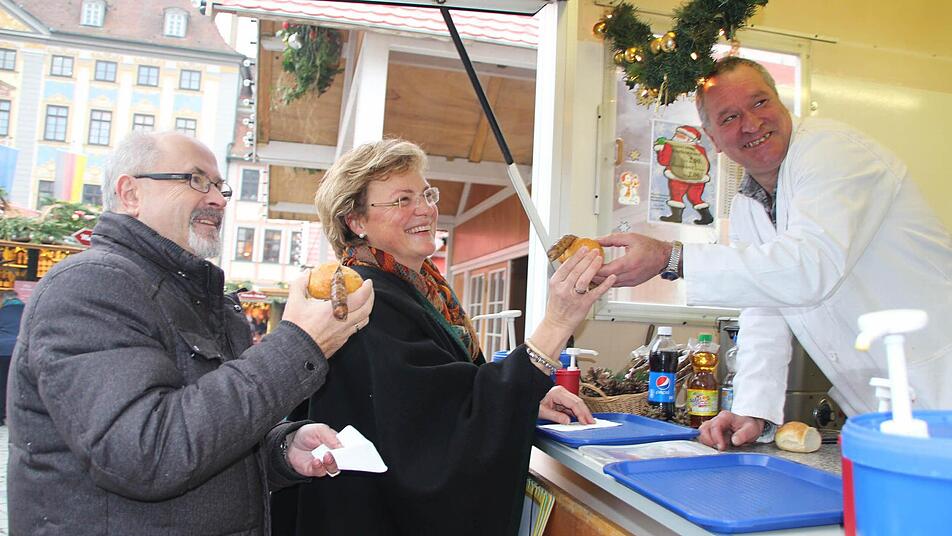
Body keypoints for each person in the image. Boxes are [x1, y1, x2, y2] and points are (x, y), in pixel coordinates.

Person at [6, 131, 375, 534]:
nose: (217, 199)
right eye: (196, 180)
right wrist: (299, 344)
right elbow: (145, 455)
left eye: (220, 186)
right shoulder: (90, 285)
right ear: (130, 194)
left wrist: (281, 450)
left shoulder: (198, 298)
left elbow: (207, 440)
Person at [595, 57, 951, 450]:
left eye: (760, 102)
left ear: (781, 102)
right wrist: (752, 408)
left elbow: (809, 270)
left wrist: (672, 258)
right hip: (884, 407)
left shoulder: (833, 152)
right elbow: (764, 309)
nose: (751, 123)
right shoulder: (748, 204)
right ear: (713, 140)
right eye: (730, 117)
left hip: (940, 380)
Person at [279, 139, 613, 535]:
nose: (425, 209)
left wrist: (527, 396)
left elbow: (450, 389)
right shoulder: (362, 300)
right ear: (356, 221)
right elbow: (436, 435)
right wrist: (556, 324)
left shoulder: (420, 288)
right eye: (402, 199)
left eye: (426, 194)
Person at [0, 288, 24, 425]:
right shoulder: (26, 310)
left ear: (4, 299)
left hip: (2, 351)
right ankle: (17, 416)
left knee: (1, 383)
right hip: (20, 351)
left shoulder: (2, 312)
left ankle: (0, 415)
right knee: (19, 384)